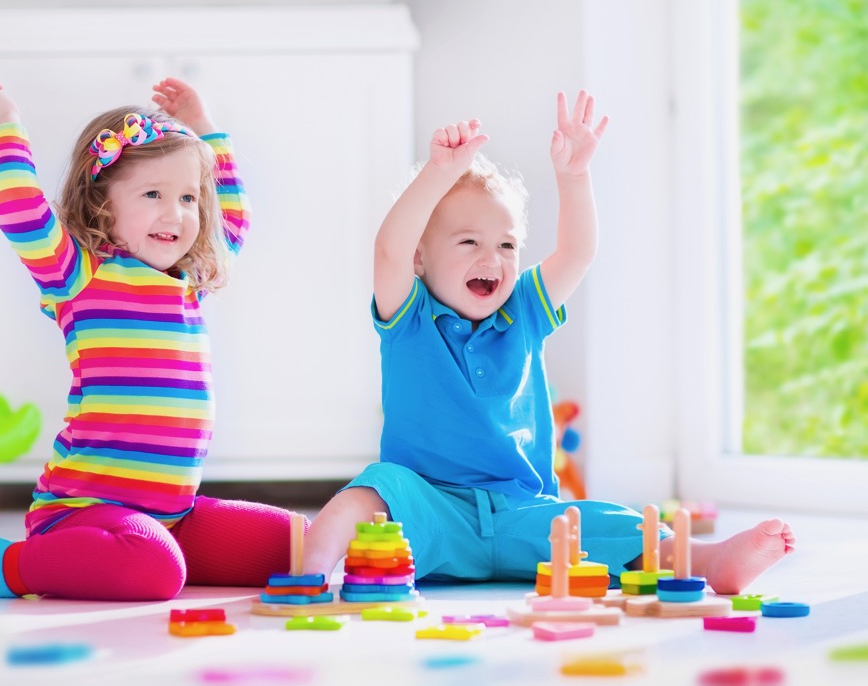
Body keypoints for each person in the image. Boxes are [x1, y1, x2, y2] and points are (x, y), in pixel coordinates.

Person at [301, 91, 795, 595]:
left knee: (612, 522)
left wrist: (574, 175)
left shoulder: (525, 310)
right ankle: (310, 573)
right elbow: (389, 248)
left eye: (507, 245)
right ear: (420, 259)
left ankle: (710, 561)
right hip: (429, 512)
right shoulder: (409, 317)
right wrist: (439, 172)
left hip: (526, 515)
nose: (492, 258)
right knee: (369, 491)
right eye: (469, 242)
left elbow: (577, 252)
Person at [0, 78, 303, 601]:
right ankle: (2, 565)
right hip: (83, 516)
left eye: (187, 197)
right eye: (153, 194)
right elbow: (19, 208)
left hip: (172, 515)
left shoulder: (191, 283)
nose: (175, 213)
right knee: (154, 571)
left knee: (299, 545)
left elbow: (232, 217)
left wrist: (205, 128)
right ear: (103, 204)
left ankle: (157, 553)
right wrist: (5, 125)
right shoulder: (79, 275)